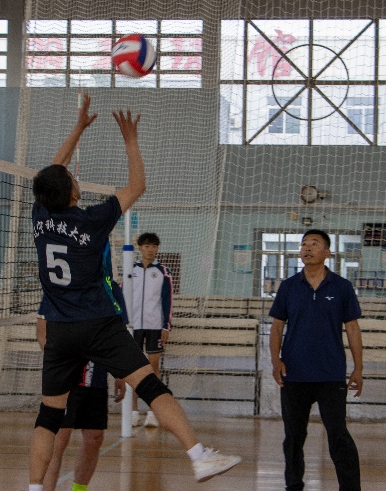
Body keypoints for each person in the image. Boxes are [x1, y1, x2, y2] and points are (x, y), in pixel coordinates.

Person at [27, 93, 241, 489]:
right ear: (72, 192)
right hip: (98, 324)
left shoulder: (39, 215)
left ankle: (35, 487)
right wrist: (130, 140)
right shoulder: (93, 219)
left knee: (49, 416)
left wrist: (78, 128)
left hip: (59, 329)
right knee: (150, 385)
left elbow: (54, 171)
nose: (74, 178)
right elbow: (138, 185)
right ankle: (199, 457)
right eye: (72, 180)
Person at [269, 229, 363, 491]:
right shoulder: (288, 287)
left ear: (327, 252)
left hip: (330, 374)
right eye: (304, 244)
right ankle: (293, 486)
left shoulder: (342, 287)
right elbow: (277, 327)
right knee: (293, 437)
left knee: (338, 435)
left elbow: (353, 329)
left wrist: (358, 367)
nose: (307, 248)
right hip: (294, 374)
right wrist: (276, 361)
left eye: (314, 243)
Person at [38, 316, 125, 491]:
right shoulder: (59, 298)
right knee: (59, 439)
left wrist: (120, 372)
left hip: (96, 380)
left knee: (94, 437)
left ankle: (79, 489)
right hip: (67, 380)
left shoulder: (111, 298)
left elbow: (117, 334)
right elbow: (42, 329)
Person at [127, 231, 173, 428]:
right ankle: (133, 411)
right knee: (134, 369)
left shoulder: (163, 271)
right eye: (147, 246)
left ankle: (153, 412)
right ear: (140, 248)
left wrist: (166, 326)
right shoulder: (131, 269)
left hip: (155, 325)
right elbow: (124, 295)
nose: (150, 250)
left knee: (153, 368)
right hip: (134, 326)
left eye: (154, 246)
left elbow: (168, 300)